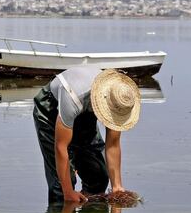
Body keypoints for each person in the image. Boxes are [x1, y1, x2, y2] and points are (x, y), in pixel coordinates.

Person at [33, 67, 141, 203]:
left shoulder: (118, 99)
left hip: (85, 110)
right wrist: (68, 192)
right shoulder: (73, 97)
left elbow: (113, 145)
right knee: (61, 188)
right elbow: (61, 147)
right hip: (51, 108)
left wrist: (117, 187)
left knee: (98, 177)